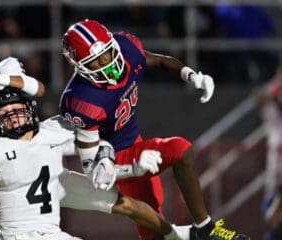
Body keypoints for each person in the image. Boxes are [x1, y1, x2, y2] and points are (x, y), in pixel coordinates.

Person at [0, 44, 193, 239]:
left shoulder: (4, 73)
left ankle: (176, 235)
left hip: (40, 157)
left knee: (122, 202)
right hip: (8, 180)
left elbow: (38, 89)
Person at [60, 19, 249, 240]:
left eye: (108, 53)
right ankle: (205, 228)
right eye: (95, 61)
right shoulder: (82, 101)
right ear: (79, 66)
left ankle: (203, 229)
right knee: (180, 150)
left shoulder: (126, 49)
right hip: (116, 158)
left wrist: (191, 75)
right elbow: (95, 171)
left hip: (136, 143)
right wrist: (134, 168)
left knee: (154, 230)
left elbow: (159, 61)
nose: (106, 63)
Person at [0, 86, 192, 240]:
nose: (12, 115)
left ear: (29, 110)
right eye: (5, 112)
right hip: (21, 231)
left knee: (126, 203)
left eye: (17, 109)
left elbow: (96, 146)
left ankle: (174, 235)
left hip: (55, 190)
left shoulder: (53, 130)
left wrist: (130, 166)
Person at [257, 66, 282, 239]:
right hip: (275, 183)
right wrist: (276, 86)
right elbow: (260, 97)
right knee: (271, 222)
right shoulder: (275, 120)